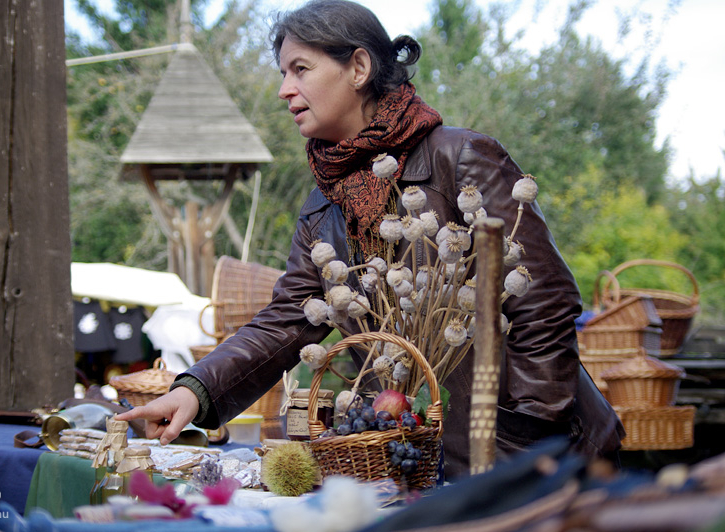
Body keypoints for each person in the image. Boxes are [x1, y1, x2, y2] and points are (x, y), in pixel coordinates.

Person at [117, 0, 623, 477]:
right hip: (414, 458)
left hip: (539, 460)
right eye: (283, 73)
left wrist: (522, 438)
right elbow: (288, 319)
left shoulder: (460, 159)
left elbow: (545, 301)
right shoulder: (324, 203)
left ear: (358, 68)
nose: (284, 90)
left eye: (300, 69)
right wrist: (195, 391)